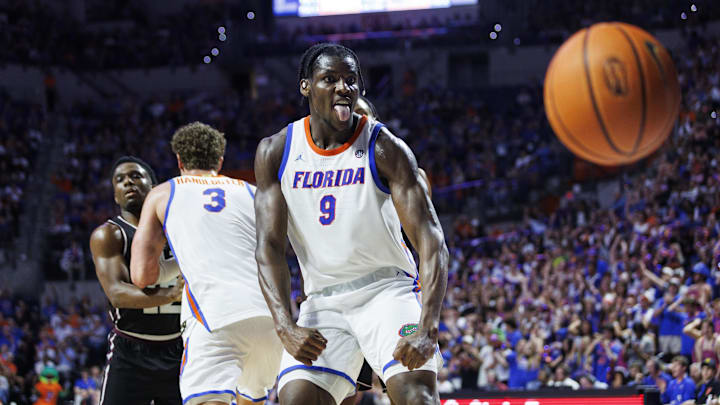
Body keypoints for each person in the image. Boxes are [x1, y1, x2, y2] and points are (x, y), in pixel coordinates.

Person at [254, 43, 448, 405]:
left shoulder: (385, 147)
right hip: (323, 302)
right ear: (306, 86)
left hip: (386, 291)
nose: (344, 87)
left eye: (351, 79)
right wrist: (285, 324)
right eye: (330, 79)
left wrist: (428, 327)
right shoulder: (276, 151)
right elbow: (268, 248)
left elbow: (431, 240)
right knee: (296, 400)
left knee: (416, 396)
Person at [130, 122, 282, 405]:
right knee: (252, 399)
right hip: (270, 315)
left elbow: (142, 275)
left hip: (214, 315)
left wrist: (177, 260)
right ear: (220, 160)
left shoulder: (163, 193)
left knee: (209, 400)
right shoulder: (251, 192)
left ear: (179, 160)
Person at [89, 156, 184, 405]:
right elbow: (117, 293)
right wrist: (173, 294)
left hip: (180, 347)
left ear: (153, 187)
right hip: (131, 350)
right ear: (115, 196)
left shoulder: (180, 228)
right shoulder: (109, 234)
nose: (128, 182)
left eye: (135, 176)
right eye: (120, 180)